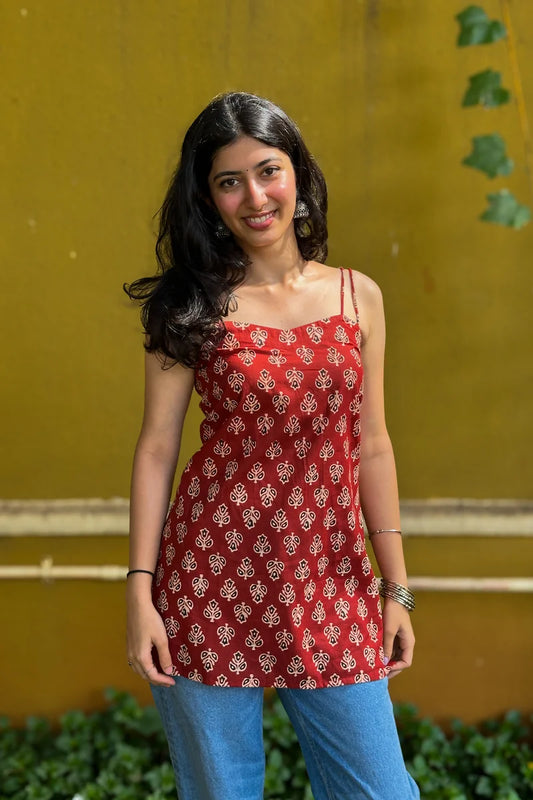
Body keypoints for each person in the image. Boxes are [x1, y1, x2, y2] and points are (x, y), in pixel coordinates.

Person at [124, 91, 420, 800]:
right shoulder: (189, 306)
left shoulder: (357, 296)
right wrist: (140, 591)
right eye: (229, 181)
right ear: (208, 200)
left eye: (267, 170)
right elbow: (156, 450)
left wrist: (396, 586)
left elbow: (370, 445)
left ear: (298, 175)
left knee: (379, 791)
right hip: (207, 582)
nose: (254, 196)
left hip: (331, 579)